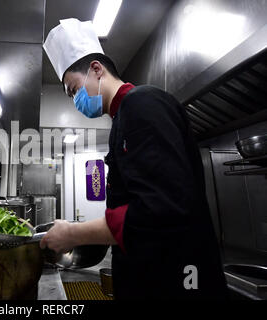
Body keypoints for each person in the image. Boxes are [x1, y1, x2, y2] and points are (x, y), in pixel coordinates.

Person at [41, 18, 228, 299]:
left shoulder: (143, 104)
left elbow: (159, 209)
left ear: (96, 69)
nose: (75, 100)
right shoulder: (123, 118)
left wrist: (73, 234)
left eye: (74, 89)